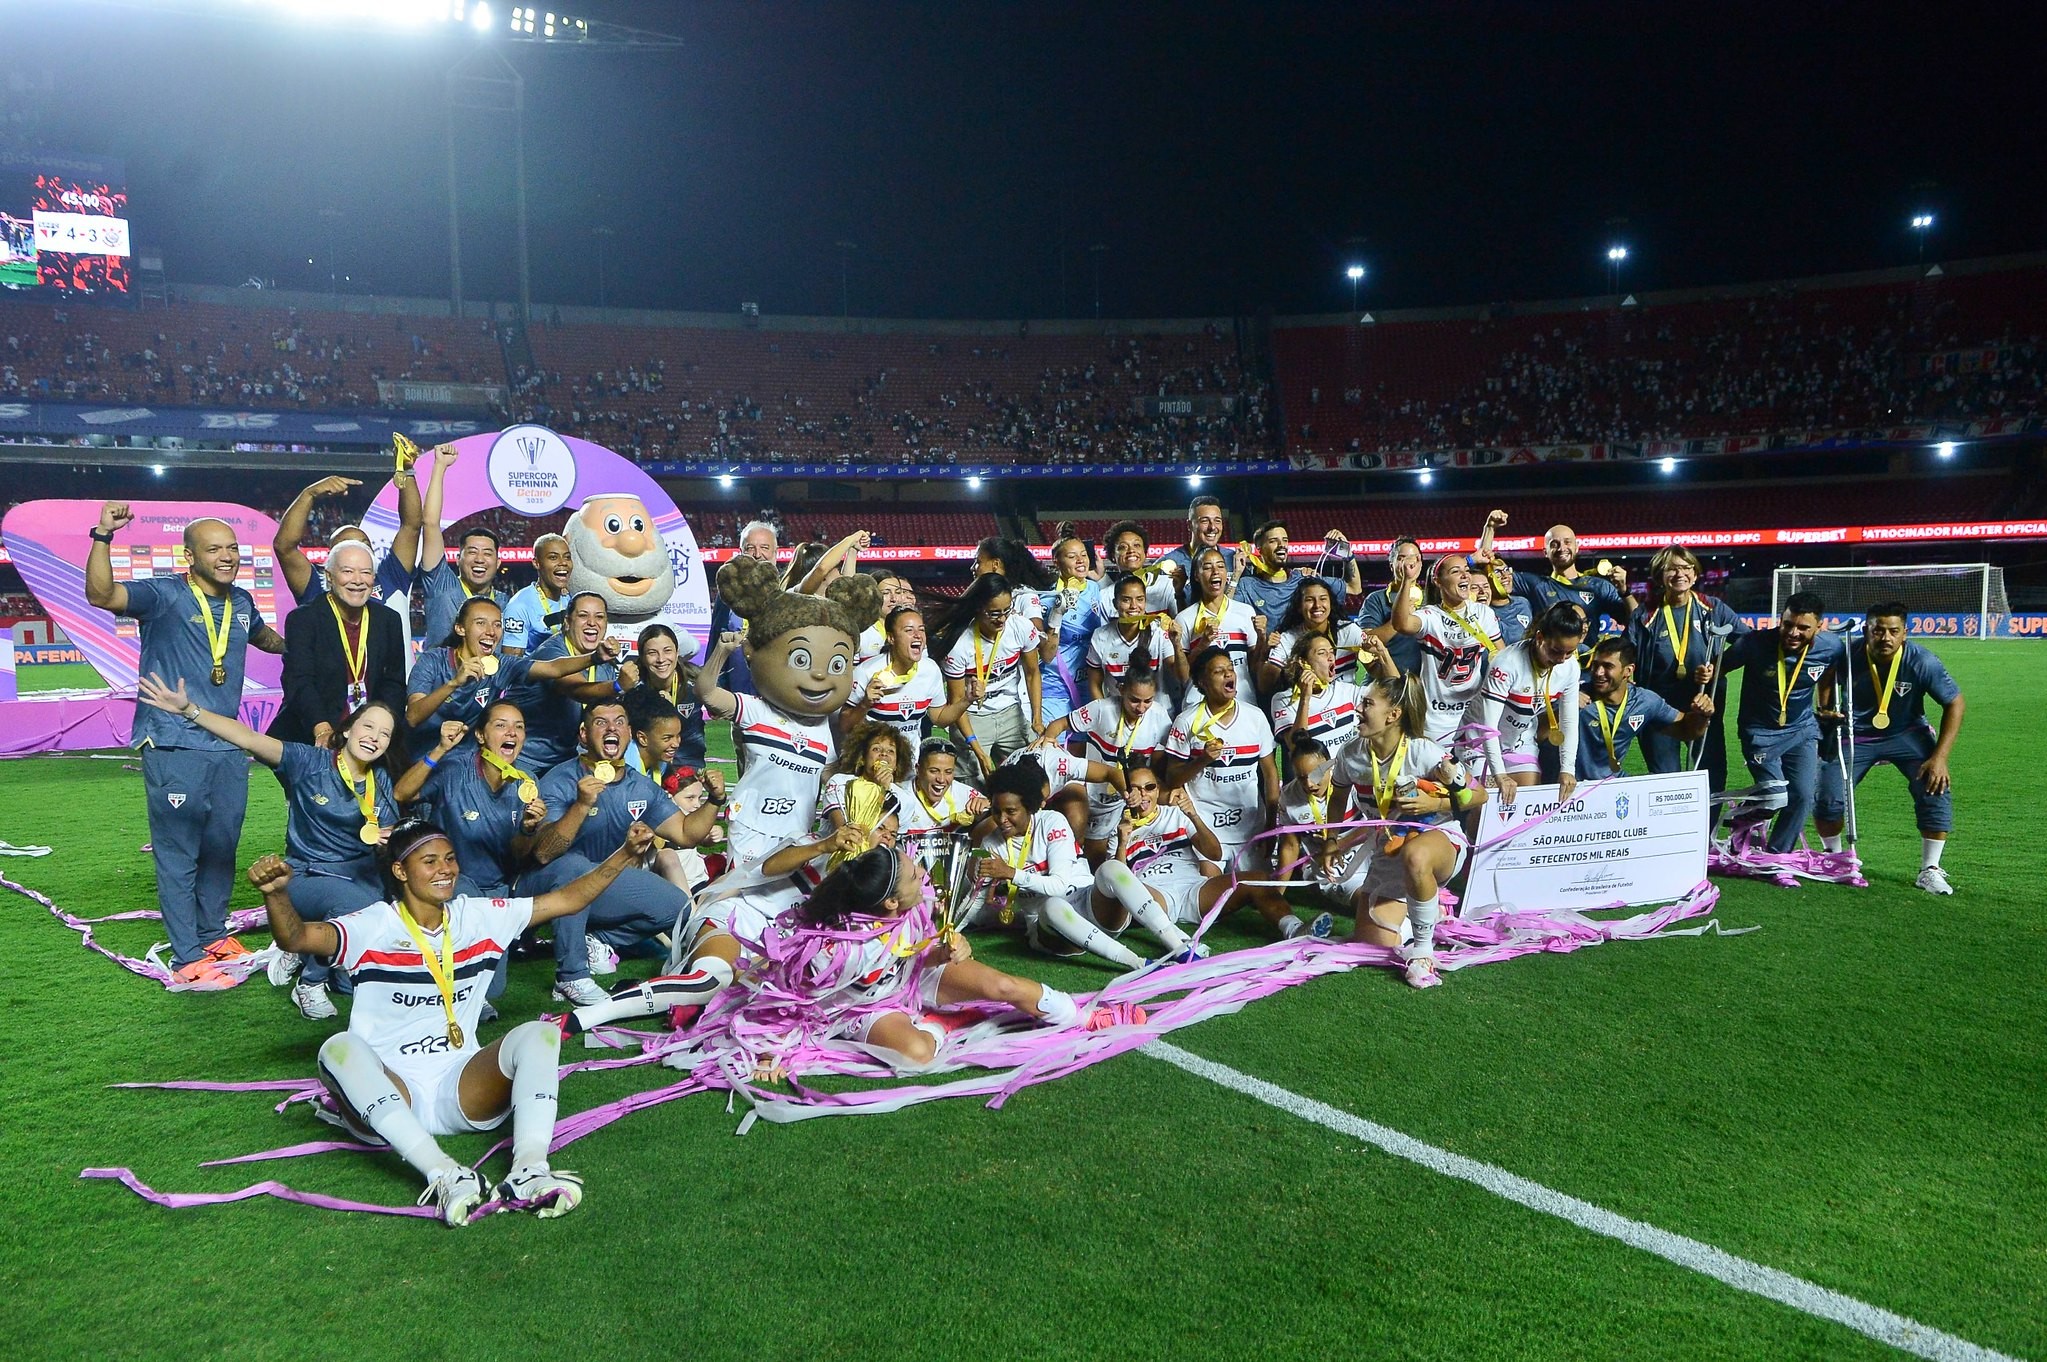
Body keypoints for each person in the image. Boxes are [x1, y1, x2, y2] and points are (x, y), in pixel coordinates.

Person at [245, 820, 657, 1224]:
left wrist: (625, 854)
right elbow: (297, 939)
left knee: (541, 1034)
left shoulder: (479, 916)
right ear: (400, 871)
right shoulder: (373, 924)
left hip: (461, 1086)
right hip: (390, 1089)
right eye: (429, 861)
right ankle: (444, 1174)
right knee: (338, 1048)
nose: (445, 869)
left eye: (450, 858)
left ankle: (529, 1168)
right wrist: (276, 894)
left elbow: (567, 900)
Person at [88, 503, 286, 986]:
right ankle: (185, 954)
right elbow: (101, 594)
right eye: (214, 549)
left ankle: (213, 933)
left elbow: (266, 638)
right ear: (189, 556)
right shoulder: (163, 595)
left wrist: (320, 636)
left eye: (232, 548)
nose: (226, 556)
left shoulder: (240, 601)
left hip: (225, 743)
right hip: (174, 741)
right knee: (180, 851)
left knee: (222, 846)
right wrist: (102, 535)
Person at [135, 680, 403, 1018]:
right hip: (306, 877)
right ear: (347, 730)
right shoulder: (309, 762)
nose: (374, 737)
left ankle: (300, 945)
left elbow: (390, 839)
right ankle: (309, 983)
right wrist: (190, 710)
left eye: (384, 734)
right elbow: (247, 738)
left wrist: (389, 839)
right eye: (368, 726)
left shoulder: (382, 781)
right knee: (358, 906)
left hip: (354, 879)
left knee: (353, 978)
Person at [691, 554, 882, 977]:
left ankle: (759, 967)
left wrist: (866, 787)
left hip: (798, 831)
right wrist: (721, 656)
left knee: (795, 913)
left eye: (836, 665)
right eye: (802, 660)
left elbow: (827, 776)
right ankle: (717, 957)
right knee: (750, 899)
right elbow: (706, 693)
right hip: (754, 830)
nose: (819, 676)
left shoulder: (822, 728)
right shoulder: (756, 710)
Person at [780, 846, 1084, 1071]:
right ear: (891, 901)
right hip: (865, 1007)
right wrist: (773, 1052)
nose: (923, 875)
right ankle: (942, 1022)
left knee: (1005, 987)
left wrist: (943, 952)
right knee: (918, 1056)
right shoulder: (836, 951)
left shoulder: (915, 903)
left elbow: (913, 954)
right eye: (914, 875)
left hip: (912, 978)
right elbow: (787, 997)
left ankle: (1085, 1018)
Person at [525, 700, 726, 1005]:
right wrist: (581, 806)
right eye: (600, 723)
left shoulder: (639, 785)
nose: (611, 729)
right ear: (583, 734)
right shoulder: (561, 779)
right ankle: (570, 977)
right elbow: (543, 854)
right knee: (575, 866)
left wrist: (714, 800)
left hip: (602, 884)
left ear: (629, 733)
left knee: (676, 907)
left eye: (619, 722)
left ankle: (595, 941)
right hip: (545, 887)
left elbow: (686, 834)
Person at [1323, 672, 1487, 989]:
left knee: (1416, 856)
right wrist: (1332, 840)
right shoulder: (1351, 754)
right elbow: (1338, 796)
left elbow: (1478, 795)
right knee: (1373, 945)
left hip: (1439, 842)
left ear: (1393, 714)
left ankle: (1423, 951)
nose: (1359, 709)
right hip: (1389, 850)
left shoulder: (1422, 752)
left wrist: (1433, 805)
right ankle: (1426, 911)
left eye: (1368, 703)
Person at [1812, 603, 1964, 894]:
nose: (1885, 637)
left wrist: (1940, 757)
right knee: (1828, 794)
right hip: (1856, 732)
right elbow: (1826, 674)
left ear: (1905, 633)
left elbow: (1955, 703)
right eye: (1877, 630)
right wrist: (1827, 707)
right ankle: (1833, 858)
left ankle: (1930, 869)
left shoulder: (1922, 661)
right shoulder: (1847, 653)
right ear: (1866, 630)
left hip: (1906, 732)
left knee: (1934, 786)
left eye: (1893, 631)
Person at [965, 758, 1143, 970]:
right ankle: (1137, 962)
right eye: (996, 811)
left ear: (1029, 807)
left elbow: (1058, 885)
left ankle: (1179, 946)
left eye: (1010, 811)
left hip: (1087, 905)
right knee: (1052, 907)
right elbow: (976, 900)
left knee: (1112, 869)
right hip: (1049, 929)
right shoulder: (991, 843)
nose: (1002, 819)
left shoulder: (1052, 822)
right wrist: (950, 928)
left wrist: (1012, 873)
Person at [1719, 591, 1846, 857]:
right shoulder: (1753, 643)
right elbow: (1718, 667)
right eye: (1788, 624)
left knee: (1801, 796)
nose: (1793, 633)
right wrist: (1705, 676)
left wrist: (1825, 706)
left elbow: (1829, 670)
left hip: (1802, 729)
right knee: (1775, 795)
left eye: (1803, 627)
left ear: (1819, 627)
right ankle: (1741, 817)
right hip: (1759, 733)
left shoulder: (1831, 646)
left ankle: (1778, 855)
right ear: (1781, 619)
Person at [403, 597, 598, 758]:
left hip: (468, 766)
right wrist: (454, 683)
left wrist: (596, 657)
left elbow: (553, 668)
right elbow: (413, 717)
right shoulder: (433, 661)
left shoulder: (502, 665)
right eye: (481, 623)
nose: (490, 631)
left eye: (497, 624)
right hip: (425, 759)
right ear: (460, 629)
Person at [1625, 544, 1746, 791]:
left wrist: (1717, 667)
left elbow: (1749, 642)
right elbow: (1626, 654)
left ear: (1695, 572)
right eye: (1672, 569)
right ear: (1660, 575)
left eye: (1686, 567)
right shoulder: (1645, 614)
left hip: (1703, 707)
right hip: (1660, 711)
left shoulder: (1714, 608)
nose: (1680, 574)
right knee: (1666, 780)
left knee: (1711, 776)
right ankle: (1674, 829)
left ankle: (1707, 829)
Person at [273, 540, 408, 748]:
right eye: (347, 571)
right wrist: (322, 729)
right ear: (329, 576)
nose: (358, 580)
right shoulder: (304, 619)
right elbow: (299, 682)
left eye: (365, 572)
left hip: (370, 735)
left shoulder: (388, 620)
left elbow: (394, 683)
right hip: (313, 731)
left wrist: (383, 727)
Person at [1160, 646, 1280, 872]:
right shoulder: (1186, 721)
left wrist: (1271, 824)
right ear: (1202, 682)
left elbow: (1271, 774)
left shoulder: (1255, 717)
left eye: (1231, 668)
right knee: (1213, 897)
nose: (1229, 674)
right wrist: (1202, 760)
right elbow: (1172, 778)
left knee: (1263, 896)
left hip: (1251, 828)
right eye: (1218, 671)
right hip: (1207, 828)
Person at [1046, 658, 1174, 864]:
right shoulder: (1101, 709)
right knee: (1074, 839)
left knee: (1097, 858)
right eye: (1134, 700)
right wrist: (1048, 743)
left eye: (1147, 701)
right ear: (1121, 690)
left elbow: (1172, 756)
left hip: (1121, 798)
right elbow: (1059, 724)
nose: (1141, 708)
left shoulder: (1159, 716)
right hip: (1090, 788)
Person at [1379, 552, 1503, 749]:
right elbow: (1401, 624)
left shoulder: (1484, 613)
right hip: (1435, 720)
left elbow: (1503, 658)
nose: (1465, 575)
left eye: (1466, 570)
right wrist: (1408, 582)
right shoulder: (1431, 616)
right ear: (1438, 581)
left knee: (1474, 777)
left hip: (1474, 714)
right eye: (1455, 571)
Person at [498, 592, 628, 773]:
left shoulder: (605, 665)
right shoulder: (552, 652)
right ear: (567, 622)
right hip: (522, 759)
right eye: (583, 616)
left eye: (599, 617)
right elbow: (576, 690)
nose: (592, 622)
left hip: (566, 760)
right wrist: (618, 686)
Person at [932, 572, 1049, 773]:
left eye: (1007, 610)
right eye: (994, 613)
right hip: (972, 718)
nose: (1002, 619)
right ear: (978, 608)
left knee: (1029, 774)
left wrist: (1036, 718)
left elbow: (1032, 673)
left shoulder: (1020, 626)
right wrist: (977, 749)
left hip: (1011, 712)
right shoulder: (958, 644)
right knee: (974, 782)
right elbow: (957, 702)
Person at [1474, 602, 1587, 805]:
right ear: (1540, 638)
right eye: (1556, 651)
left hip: (1519, 740)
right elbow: (1487, 728)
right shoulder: (1506, 664)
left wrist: (1567, 769)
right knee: (1486, 807)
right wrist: (1499, 774)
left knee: (1525, 803)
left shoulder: (1569, 667)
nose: (1562, 659)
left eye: (1569, 652)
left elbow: (1569, 721)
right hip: (1480, 743)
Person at [272, 470, 420, 610]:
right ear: (329, 563)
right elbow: (284, 547)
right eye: (345, 546)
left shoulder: (391, 577)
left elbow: (411, 526)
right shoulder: (315, 587)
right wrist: (309, 494)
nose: (355, 552)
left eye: (364, 545)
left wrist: (406, 470)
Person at [414, 446, 509, 655]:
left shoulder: (505, 602)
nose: (480, 559)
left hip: (486, 686)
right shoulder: (442, 586)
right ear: (458, 559)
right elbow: (430, 523)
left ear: (498, 562)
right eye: (472, 552)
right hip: (442, 685)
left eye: (487, 553)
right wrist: (440, 466)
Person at [1572, 638, 1709, 780]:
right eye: (1595, 665)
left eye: (1608, 666)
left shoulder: (1644, 701)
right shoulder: (1576, 697)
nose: (1598, 672)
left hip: (1611, 785)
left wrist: (1701, 715)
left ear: (1628, 670)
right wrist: (1564, 707)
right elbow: (1547, 732)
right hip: (1567, 788)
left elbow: (1685, 730)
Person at [846, 605, 958, 761]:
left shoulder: (930, 670)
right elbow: (844, 725)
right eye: (909, 630)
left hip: (909, 763)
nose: (918, 635)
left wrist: (968, 699)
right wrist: (865, 704)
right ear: (891, 638)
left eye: (921, 629)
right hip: (874, 762)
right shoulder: (866, 672)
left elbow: (939, 718)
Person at [1505, 517, 1635, 648]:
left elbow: (1635, 620)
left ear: (1577, 547)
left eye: (1567, 542)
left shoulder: (1599, 586)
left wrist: (1624, 591)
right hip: (1550, 664)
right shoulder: (1536, 584)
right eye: (1554, 544)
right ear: (1545, 552)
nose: (1562, 548)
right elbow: (1492, 575)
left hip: (1585, 665)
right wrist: (1489, 529)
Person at [1232, 520, 1356, 637]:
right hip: (1266, 655)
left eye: (1285, 540)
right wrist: (1236, 574)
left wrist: (1346, 551)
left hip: (1303, 654)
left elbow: (1354, 588)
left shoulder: (1303, 578)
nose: (1282, 545)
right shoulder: (1247, 586)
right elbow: (1225, 613)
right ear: (1259, 548)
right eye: (1273, 541)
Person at [1176, 546, 1260, 706]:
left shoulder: (1245, 612)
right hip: (1199, 705)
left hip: (1243, 701)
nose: (1215, 571)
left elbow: (1255, 667)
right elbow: (1183, 676)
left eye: (1220, 566)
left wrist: (1262, 638)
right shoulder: (1184, 618)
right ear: (1196, 575)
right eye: (1207, 567)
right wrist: (1203, 644)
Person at [705, 520, 779, 696]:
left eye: (765, 547)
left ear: (775, 553)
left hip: (779, 693)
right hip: (740, 697)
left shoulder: (788, 591)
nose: (757, 554)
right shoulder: (728, 597)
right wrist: (716, 685)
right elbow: (716, 640)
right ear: (740, 553)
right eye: (750, 548)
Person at [1039, 531, 1105, 724]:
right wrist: (1057, 614)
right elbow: (1046, 655)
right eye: (1071, 556)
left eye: (1083, 554)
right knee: (1053, 747)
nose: (1080, 560)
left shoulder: (1094, 589)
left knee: (1078, 751)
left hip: (1088, 686)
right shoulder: (1047, 598)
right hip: (1056, 687)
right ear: (1056, 562)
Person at [1259, 577, 1365, 698]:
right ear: (1299, 606)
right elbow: (1265, 687)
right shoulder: (1287, 639)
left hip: (1347, 705)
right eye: (1309, 600)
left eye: (1323, 599)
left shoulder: (1349, 631)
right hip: (1308, 707)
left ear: (1331, 603)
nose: (1317, 605)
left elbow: (1376, 667)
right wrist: (1266, 654)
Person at [1085, 576, 1187, 700]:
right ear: (1115, 603)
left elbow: (1183, 677)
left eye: (1140, 599)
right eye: (1126, 600)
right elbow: (1094, 684)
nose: (1134, 606)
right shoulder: (1100, 636)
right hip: (1116, 711)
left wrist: (1177, 645)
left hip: (1155, 710)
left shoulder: (1159, 632)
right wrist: (1105, 713)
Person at [621, 623, 706, 769]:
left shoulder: (696, 683)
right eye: (652, 653)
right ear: (642, 656)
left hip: (688, 764)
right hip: (645, 767)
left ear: (677, 652)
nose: (661, 659)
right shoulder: (634, 690)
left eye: (667, 651)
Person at [1269, 633, 1364, 756]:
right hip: (1317, 774)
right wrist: (1305, 699)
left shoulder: (1347, 691)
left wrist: (1383, 654)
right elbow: (1296, 746)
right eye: (1322, 653)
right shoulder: (1283, 700)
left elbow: (1393, 696)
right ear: (1303, 662)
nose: (1330, 657)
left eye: (1331, 652)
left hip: (1349, 773)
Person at [1355, 537, 1427, 677]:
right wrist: (1401, 617)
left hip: (1421, 687)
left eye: (1414, 558)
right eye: (1401, 558)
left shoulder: (1431, 598)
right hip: (1386, 685)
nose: (1409, 563)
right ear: (1391, 565)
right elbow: (1366, 643)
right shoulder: (1376, 599)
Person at [500, 533, 573, 658]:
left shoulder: (570, 599)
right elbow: (512, 666)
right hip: (537, 677)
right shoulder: (519, 606)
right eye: (553, 557)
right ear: (536, 563)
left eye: (567, 557)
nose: (563, 563)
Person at [1159, 494, 1236, 603]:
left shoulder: (1233, 560)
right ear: (1189, 525)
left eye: (1217, 521)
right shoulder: (1169, 562)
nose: (1212, 527)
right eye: (1205, 521)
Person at [1096, 521, 1180, 622]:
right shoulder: (1104, 596)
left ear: (1145, 553)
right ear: (1113, 556)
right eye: (1123, 547)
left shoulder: (1167, 585)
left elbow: (1180, 626)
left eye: (1137, 545)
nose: (1131, 550)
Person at [854, 572, 918, 667]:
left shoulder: (915, 629)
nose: (894, 599)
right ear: (872, 596)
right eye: (886, 593)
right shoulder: (861, 632)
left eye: (898, 592)